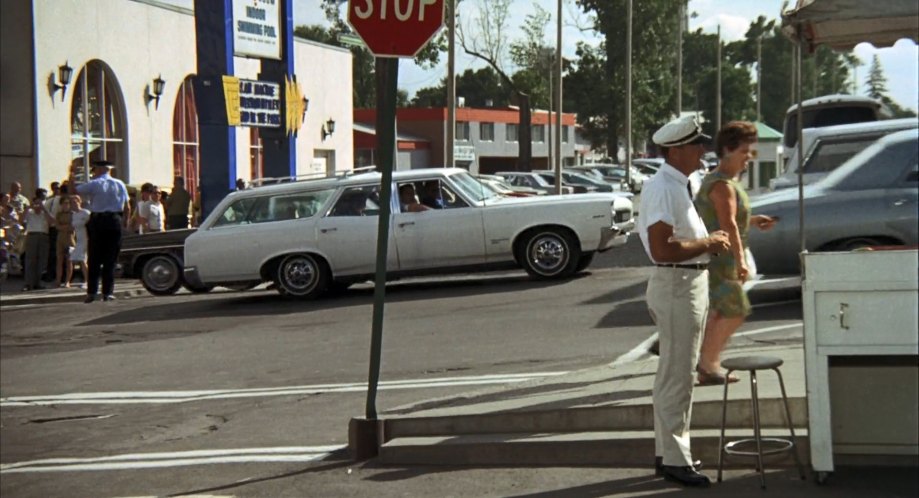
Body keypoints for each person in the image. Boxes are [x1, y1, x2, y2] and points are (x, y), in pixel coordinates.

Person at [638, 115, 730, 487]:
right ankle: (677, 459)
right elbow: (662, 248)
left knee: (673, 374)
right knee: (679, 376)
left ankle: (668, 454)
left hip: (685, 282)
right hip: (677, 282)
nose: (702, 150)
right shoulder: (664, 187)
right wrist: (709, 243)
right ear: (676, 151)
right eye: (696, 145)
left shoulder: (678, 184)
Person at [694, 121, 778, 384]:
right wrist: (740, 261)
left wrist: (752, 221)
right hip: (723, 259)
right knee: (735, 310)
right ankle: (707, 364)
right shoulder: (722, 185)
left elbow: (729, 219)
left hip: (719, 256)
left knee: (720, 312)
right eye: (745, 152)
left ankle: (706, 362)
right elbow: (727, 223)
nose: (749, 159)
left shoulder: (724, 181)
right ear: (728, 150)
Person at [73, 160, 130, 303]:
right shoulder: (120, 184)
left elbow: (74, 190)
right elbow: (127, 206)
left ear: (99, 169)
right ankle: (108, 293)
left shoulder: (95, 183)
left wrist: (72, 175)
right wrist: (124, 224)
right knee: (111, 259)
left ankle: (92, 292)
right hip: (115, 220)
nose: (94, 172)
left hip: (98, 221)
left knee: (95, 257)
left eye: (95, 169)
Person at [21, 197, 55, 291]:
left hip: (43, 236)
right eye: (35, 204)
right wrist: (28, 208)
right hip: (32, 235)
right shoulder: (29, 212)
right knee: (30, 260)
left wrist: (44, 209)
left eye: (39, 204)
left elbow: (52, 222)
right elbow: (21, 220)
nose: (37, 206)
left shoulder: (45, 213)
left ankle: (38, 282)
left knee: (42, 260)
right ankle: (28, 283)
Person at [53, 195, 76, 287]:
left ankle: (67, 281)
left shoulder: (73, 214)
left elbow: (72, 226)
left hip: (70, 238)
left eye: (67, 203)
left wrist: (64, 227)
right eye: (64, 203)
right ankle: (58, 280)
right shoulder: (59, 214)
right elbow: (57, 226)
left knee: (69, 260)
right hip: (60, 238)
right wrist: (63, 227)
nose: (66, 205)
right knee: (59, 260)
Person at [69, 195, 90, 287]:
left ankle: (87, 281)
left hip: (86, 239)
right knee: (71, 259)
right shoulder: (74, 215)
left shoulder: (85, 213)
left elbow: (91, 225)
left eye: (75, 202)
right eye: (72, 203)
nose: (73, 204)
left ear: (79, 202)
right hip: (79, 240)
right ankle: (68, 281)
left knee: (82, 260)